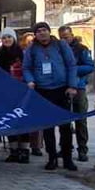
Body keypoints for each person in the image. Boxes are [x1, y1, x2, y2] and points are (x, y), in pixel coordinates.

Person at [22, 21, 79, 171]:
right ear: (35, 34)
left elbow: (71, 65)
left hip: (62, 89)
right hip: (43, 91)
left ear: (49, 31)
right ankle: (52, 158)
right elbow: (26, 68)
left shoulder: (61, 45)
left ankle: (67, 158)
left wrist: (72, 85)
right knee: (47, 127)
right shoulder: (32, 49)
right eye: (39, 31)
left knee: (65, 127)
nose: (42, 33)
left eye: (44, 30)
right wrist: (30, 81)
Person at [58, 26, 95, 162]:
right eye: (61, 37)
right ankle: (65, 147)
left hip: (79, 88)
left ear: (72, 35)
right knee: (63, 120)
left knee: (80, 120)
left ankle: (82, 149)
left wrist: (72, 70)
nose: (64, 40)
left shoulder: (81, 49)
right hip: (62, 87)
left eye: (66, 37)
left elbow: (90, 66)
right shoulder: (58, 50)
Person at [0, 29, 31, 163]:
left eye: (9, 37)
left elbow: (27, 69)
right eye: (4, 38)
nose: (7, 40)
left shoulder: (22, 53)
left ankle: (25, 151)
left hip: (21, 90)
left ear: (14, 38)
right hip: (6, 91)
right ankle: (14, 151)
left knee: (23, 120)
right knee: (10, 121)